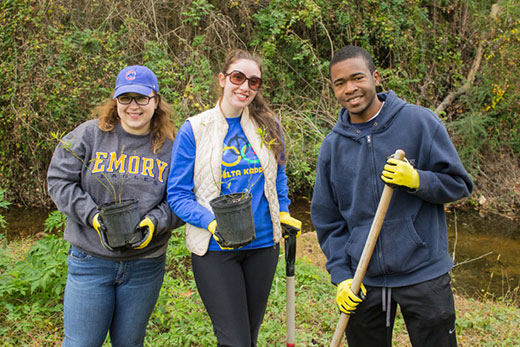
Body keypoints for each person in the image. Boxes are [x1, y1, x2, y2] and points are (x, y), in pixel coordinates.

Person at [311, 45, 473, 347]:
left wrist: (417, 179)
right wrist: (343, 276)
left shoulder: (419, 123)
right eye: (340, 83)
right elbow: (327, 219)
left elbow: (458, 185)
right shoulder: (332, 147)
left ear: (376, 77)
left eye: (357, 78)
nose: (350, 89)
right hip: (364, 280)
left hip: (423, 273)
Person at [166, 49, 302, 346]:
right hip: (215, 251)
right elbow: (177, 194)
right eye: (238, 77)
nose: (245, 86)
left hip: (264, 246)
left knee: (249, 338)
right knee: (235, 341)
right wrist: (210, 223)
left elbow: (278, 176)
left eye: (254, 82)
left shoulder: (268, 124)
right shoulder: (195, 129)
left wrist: (283, 211)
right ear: (222, 79)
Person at [47, 65, 183, 346]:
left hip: (145, 265)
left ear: (155, 101)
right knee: (81, 343)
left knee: (129, 343)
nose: (133, 106)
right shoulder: (89, 136)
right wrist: (93, 217)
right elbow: (59, 181)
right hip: (91, 261)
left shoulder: (172, 145)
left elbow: (181, 196)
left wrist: (155, 222)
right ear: (115, 101)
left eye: (141, 98)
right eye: (125, 98)